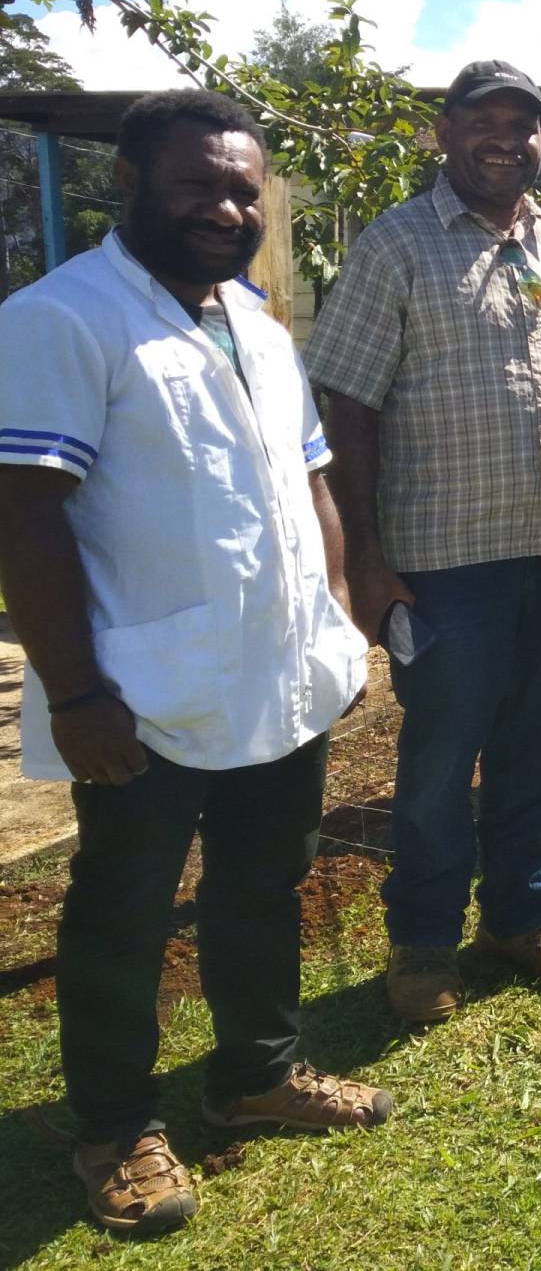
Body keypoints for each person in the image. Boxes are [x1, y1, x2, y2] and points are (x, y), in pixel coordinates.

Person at [0, 90, 393, 1236]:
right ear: (127, 187)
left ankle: (254, 1077)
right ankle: (113, 1129)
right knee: (123, 912)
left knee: (264, 884)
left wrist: (331, 624)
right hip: (141, 692)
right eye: (196, 187)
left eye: (242, 190)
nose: (225, 208)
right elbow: (24, 517)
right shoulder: (62, 319)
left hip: (274, 675)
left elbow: (309, 482)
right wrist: (75, 694)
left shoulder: (260, 327)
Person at [304, 60, 541, 1025]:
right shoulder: (396, 246)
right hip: (443, 563)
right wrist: (363, 557)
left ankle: (519, 920)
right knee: (443, 758)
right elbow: (349, 405)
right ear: (445, 133)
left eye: (523, 124)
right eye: (482, 121)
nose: (505, 138)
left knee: (537, 750)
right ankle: (420, 944)